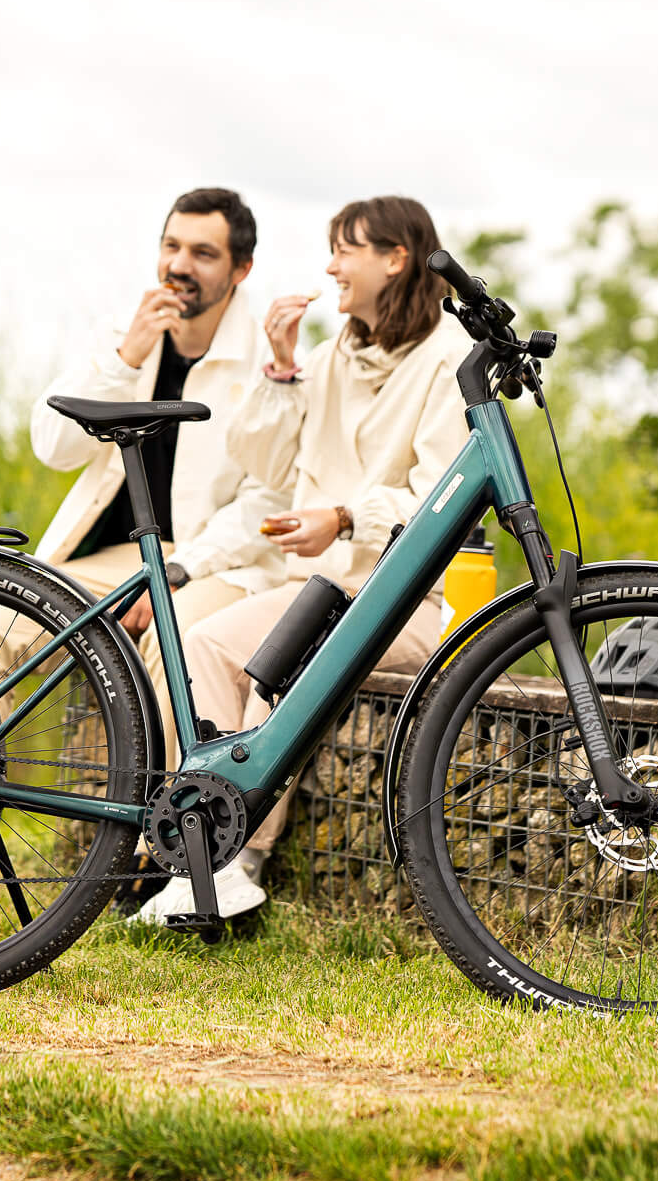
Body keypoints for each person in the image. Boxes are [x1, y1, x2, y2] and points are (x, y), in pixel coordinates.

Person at [133, 195, 475, 924]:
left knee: (282, 660)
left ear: (396, 258)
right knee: (203, 643)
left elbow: (441, 498)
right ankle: (200, 843)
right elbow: (262, 456)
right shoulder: (330, 357)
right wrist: (283, 367)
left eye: (345, 249)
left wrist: (347, 517)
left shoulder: (449, 358)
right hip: (315, 589)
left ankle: (238, 860)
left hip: (402, 603)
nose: (330, 266)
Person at [0, 187, 289, 775]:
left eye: (203, 253)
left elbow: (270, 495)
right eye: (172, 246)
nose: (180, 266)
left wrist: (175, 572)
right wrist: (126, 358)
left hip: (212, 564)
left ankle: (166, 837)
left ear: (242, 269)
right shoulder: (123, 334)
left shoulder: (267, 359)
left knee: (176, 641)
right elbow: (53, 447)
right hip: (114, 558)